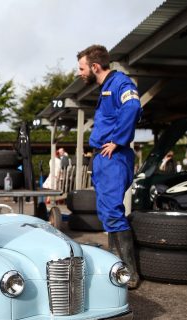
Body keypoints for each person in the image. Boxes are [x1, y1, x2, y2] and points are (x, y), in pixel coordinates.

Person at [77, 44, 142, 289]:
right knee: (107, 213)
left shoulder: (119, 83)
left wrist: (117, 140)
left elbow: (133, 106)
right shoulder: (107, 87)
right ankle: (118, 268)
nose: (79, 73)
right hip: (105, 158)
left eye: (82, 68)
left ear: (95, 66)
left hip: (113, 156)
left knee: (113, 213)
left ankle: (130, 274)